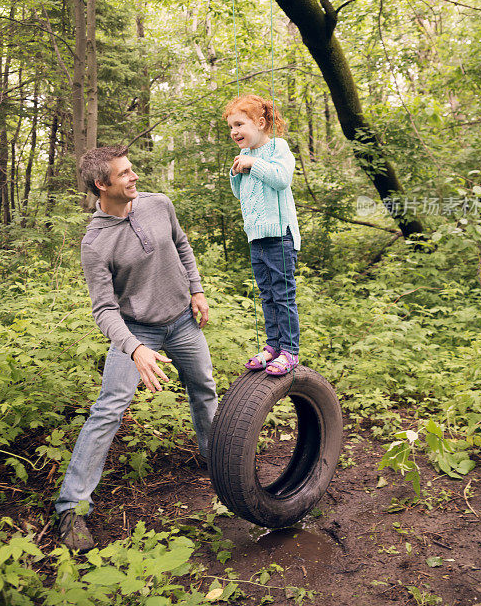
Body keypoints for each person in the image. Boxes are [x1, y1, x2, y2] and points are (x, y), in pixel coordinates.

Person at [55, 145, 218, 551]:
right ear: (101, 185)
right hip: (136, 331)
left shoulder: (159, 204)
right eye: (124, 173)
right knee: (109, 408)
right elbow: (104, 310)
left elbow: (181, 245)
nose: (134, 177)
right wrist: (133, 348)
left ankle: (216, 459)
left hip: (182, 321)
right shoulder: (94, 243)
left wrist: (195, 289)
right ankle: (71, 509)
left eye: (132, 170)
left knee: (204, 389)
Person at [223, 94, 301, 376]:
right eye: (231, 126)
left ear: (260, 122)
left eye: (240, 124)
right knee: (267, 295)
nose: (234, 132)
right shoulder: (246, 156)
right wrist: (237, 172)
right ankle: (273, 346)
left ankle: (290, 350)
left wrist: (252, 165)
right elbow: (240, 194)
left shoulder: (277, 147)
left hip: (280, 235)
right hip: (255, 237)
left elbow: (282, 179)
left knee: (283, 296)